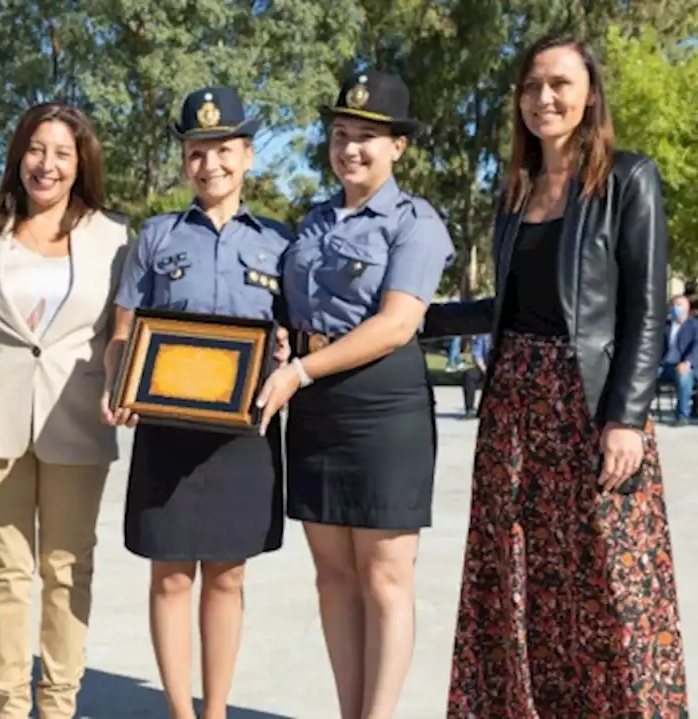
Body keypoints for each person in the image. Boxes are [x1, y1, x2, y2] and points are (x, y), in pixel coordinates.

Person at [423, 35, 688, 716]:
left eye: (560, 84)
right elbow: (507, 306)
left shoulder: (628, 178)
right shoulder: (512, 191)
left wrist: (627, 416)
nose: (545, 97)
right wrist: (414, 319)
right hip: (514, 404)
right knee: (518, 574)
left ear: (590, 93)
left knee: (609, 583)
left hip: (591, 402)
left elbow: (645, 309)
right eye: (532, 85)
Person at [253, 71, 453, 719]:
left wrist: (300, 373)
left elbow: (397, 323)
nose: (351, 149)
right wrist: (283, 344)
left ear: (398, 146)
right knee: (333, 576)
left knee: (385, 577)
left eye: (368, 137)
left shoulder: (415, 223)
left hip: (380, 406)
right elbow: (285, 306)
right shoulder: (309, 224)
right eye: (341, 135)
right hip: (313, 406)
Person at [0, 102, 128, 719]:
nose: (47, 165)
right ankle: (10, 706)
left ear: (81, 163)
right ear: (19, 155)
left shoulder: (115, 237)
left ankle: (60, 703)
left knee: (69, 569)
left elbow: (128, 332)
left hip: (78, 423)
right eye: (36, 149)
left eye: (62, 153)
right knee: (6, 572)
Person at [104, 85, 290, 719]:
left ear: (248, 156)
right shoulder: (155, 238)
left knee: (230, 576)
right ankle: (180, 712)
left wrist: (290, 351)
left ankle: (216, 712)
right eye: (195, 152)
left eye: (223, 150)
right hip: (168, 430)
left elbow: (292, 333)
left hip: (245, 435)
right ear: (184, 160)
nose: (209, 164)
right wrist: (118, 384)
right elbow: (124, 333)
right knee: (171, 574)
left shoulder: (280, 242)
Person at [659, 294, 698, 426]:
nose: (675, 308)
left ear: (687, 308)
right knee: (643, 374)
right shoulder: (664, 326)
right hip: (664, 365)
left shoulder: (697, 326)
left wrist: (687, 362)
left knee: (683, 376)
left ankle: (682, 416)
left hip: (685, 366)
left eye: (679, 305)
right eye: (673, 305)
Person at [461, 333, 490, 418]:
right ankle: (470, 409)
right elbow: (477, 354)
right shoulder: (484, 335)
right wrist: (484, 369)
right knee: (469, 374)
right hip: (484, 368)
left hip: (503, 370)